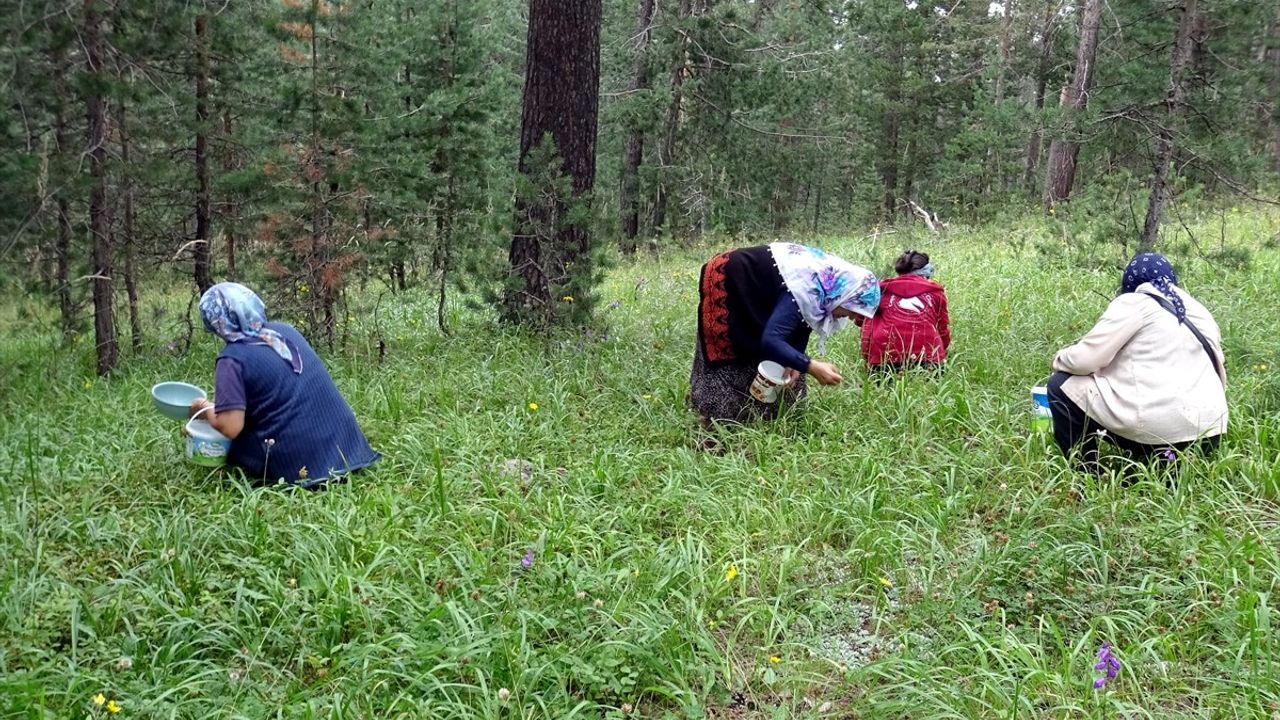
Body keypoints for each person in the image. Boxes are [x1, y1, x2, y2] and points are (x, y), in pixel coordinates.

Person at [1047, 252, 1227, 471]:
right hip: (1210, 431)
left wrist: (1059, 359)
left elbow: (1086, 360)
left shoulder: (1136, 303)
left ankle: (1085, 472)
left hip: (1159, 434)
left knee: (1060, 385)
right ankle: (1173, 465)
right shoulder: (1199, 310)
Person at [188, 282, 380, 487]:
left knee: (232, 441)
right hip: (348, 450)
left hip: (302, 466)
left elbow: (231, 426)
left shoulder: (232, 359)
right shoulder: (285, 332)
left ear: (214, 322)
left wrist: (202, 408)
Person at [691, 242, 879, 423]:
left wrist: (795, 360)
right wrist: (810, 365)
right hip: (731, 275)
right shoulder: (808, 287)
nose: (853, 319)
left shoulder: (826, 288)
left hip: (764, 288)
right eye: (853, 312)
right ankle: (715, 418)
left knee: (781, 354)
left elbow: (802, 321)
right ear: (845, 297)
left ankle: (765, 415)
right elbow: (771, 340)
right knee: (731, 344)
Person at [858, 249, 950, 370]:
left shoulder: (880, 291)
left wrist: (869, 359)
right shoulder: (936, 293)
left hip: (883, 358)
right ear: (926, 273)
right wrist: (942, 354)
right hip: (928, 357)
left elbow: (866, 326)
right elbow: (942, 329)